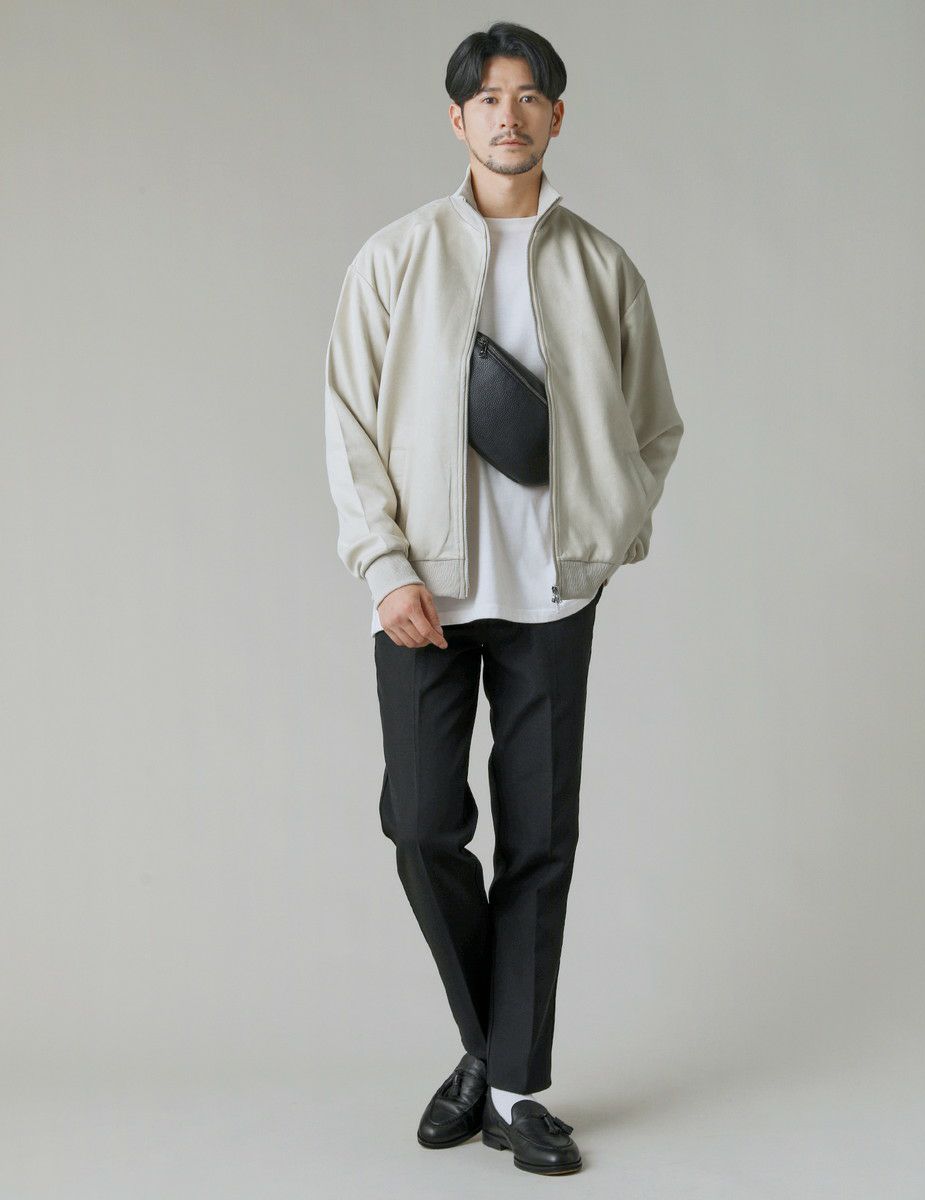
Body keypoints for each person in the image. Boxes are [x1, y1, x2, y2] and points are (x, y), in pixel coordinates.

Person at [323, 21, 683, 1176]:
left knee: (540, 840)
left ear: (556, 116)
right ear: (457, 118)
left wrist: (607, 534)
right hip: (423, 594)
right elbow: (348, 423)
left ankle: (515, 1089)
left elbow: (653, 425)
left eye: (529, 97)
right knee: (422, 826)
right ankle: (490, 1043)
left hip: (551, 598)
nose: (508, 115)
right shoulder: (395, 258)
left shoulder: (600, 267)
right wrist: (384, 567)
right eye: (487, 97)